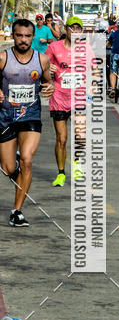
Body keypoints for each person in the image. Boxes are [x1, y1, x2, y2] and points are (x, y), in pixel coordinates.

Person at [0, 19, 53, 226]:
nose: (23, 40)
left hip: (30, 115)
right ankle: (15, 164)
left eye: (27, 36)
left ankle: (17, 211)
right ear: (13, 35)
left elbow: (47, 82)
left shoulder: (42, 60)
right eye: (19, 35)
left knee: (28, 160)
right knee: (8, 169)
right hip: (5, 117)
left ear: (33, 37)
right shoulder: (3, 58)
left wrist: (50, 88)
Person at [46, 16, 99, 186]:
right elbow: (41, 66)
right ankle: (61, 173)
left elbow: (95, 71)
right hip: (59, 98)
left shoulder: (86, 49)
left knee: (80, 136)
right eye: (72, 28)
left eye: (78, 29)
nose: (75, 31)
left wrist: (94, 83)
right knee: (61, 138)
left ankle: (77, 164)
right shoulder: (54, 47)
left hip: (79, 98)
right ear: (66, 30)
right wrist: (48, 68)